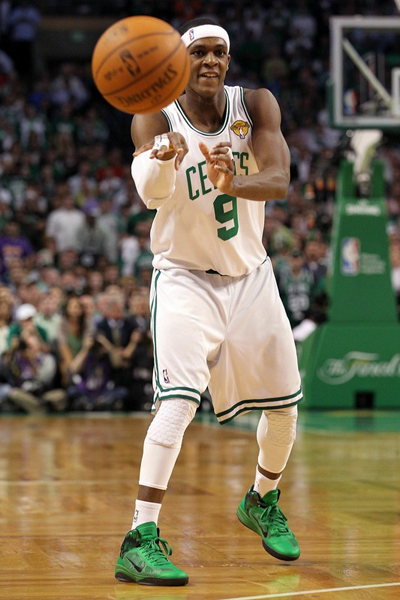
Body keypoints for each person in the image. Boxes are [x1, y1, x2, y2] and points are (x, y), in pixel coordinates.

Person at [115, 18, 302, 587]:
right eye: (198, 53)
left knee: (285, 409)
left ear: (228, 59)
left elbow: (279, 178)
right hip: (185, 279)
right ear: (179, 62)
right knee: (176, 404)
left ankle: (261, 499)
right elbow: (150, 194)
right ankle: (139, 538)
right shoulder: (155, 115)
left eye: (219, 52)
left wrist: (233, 183)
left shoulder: (256, 104)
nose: (211, 61)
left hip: (251, 277)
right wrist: (162, 160)